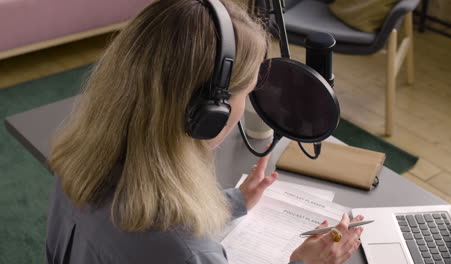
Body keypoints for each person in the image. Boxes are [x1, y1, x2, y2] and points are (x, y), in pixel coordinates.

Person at [46, 0, 364, 263]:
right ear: (210, 113)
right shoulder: (186, 252)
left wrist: (231, 203)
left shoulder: (78, 164)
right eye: (248, 92)